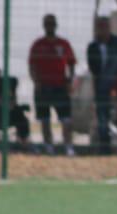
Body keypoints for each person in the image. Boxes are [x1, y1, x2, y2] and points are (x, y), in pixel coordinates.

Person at [28, 14, 77, 156]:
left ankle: (68, 146)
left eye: (52, 23)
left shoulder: (63, 44)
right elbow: (31, 65)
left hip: (60, 86)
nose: (50, 26)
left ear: (56, 25)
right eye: (47, 23)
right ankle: (48, 146)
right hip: (43, 87)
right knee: (44, 119)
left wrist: (69, 81)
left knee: (66, 119)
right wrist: (35, 82)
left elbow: (72, 63)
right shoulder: (38, 45)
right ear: (44, 25)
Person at [86, 16, 117, 155]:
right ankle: (105, 149)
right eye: (100, 27)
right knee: (102, 120)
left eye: (104, 26)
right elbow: (94, 70)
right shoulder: (93, 47)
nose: (102, 30)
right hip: (102, 89)